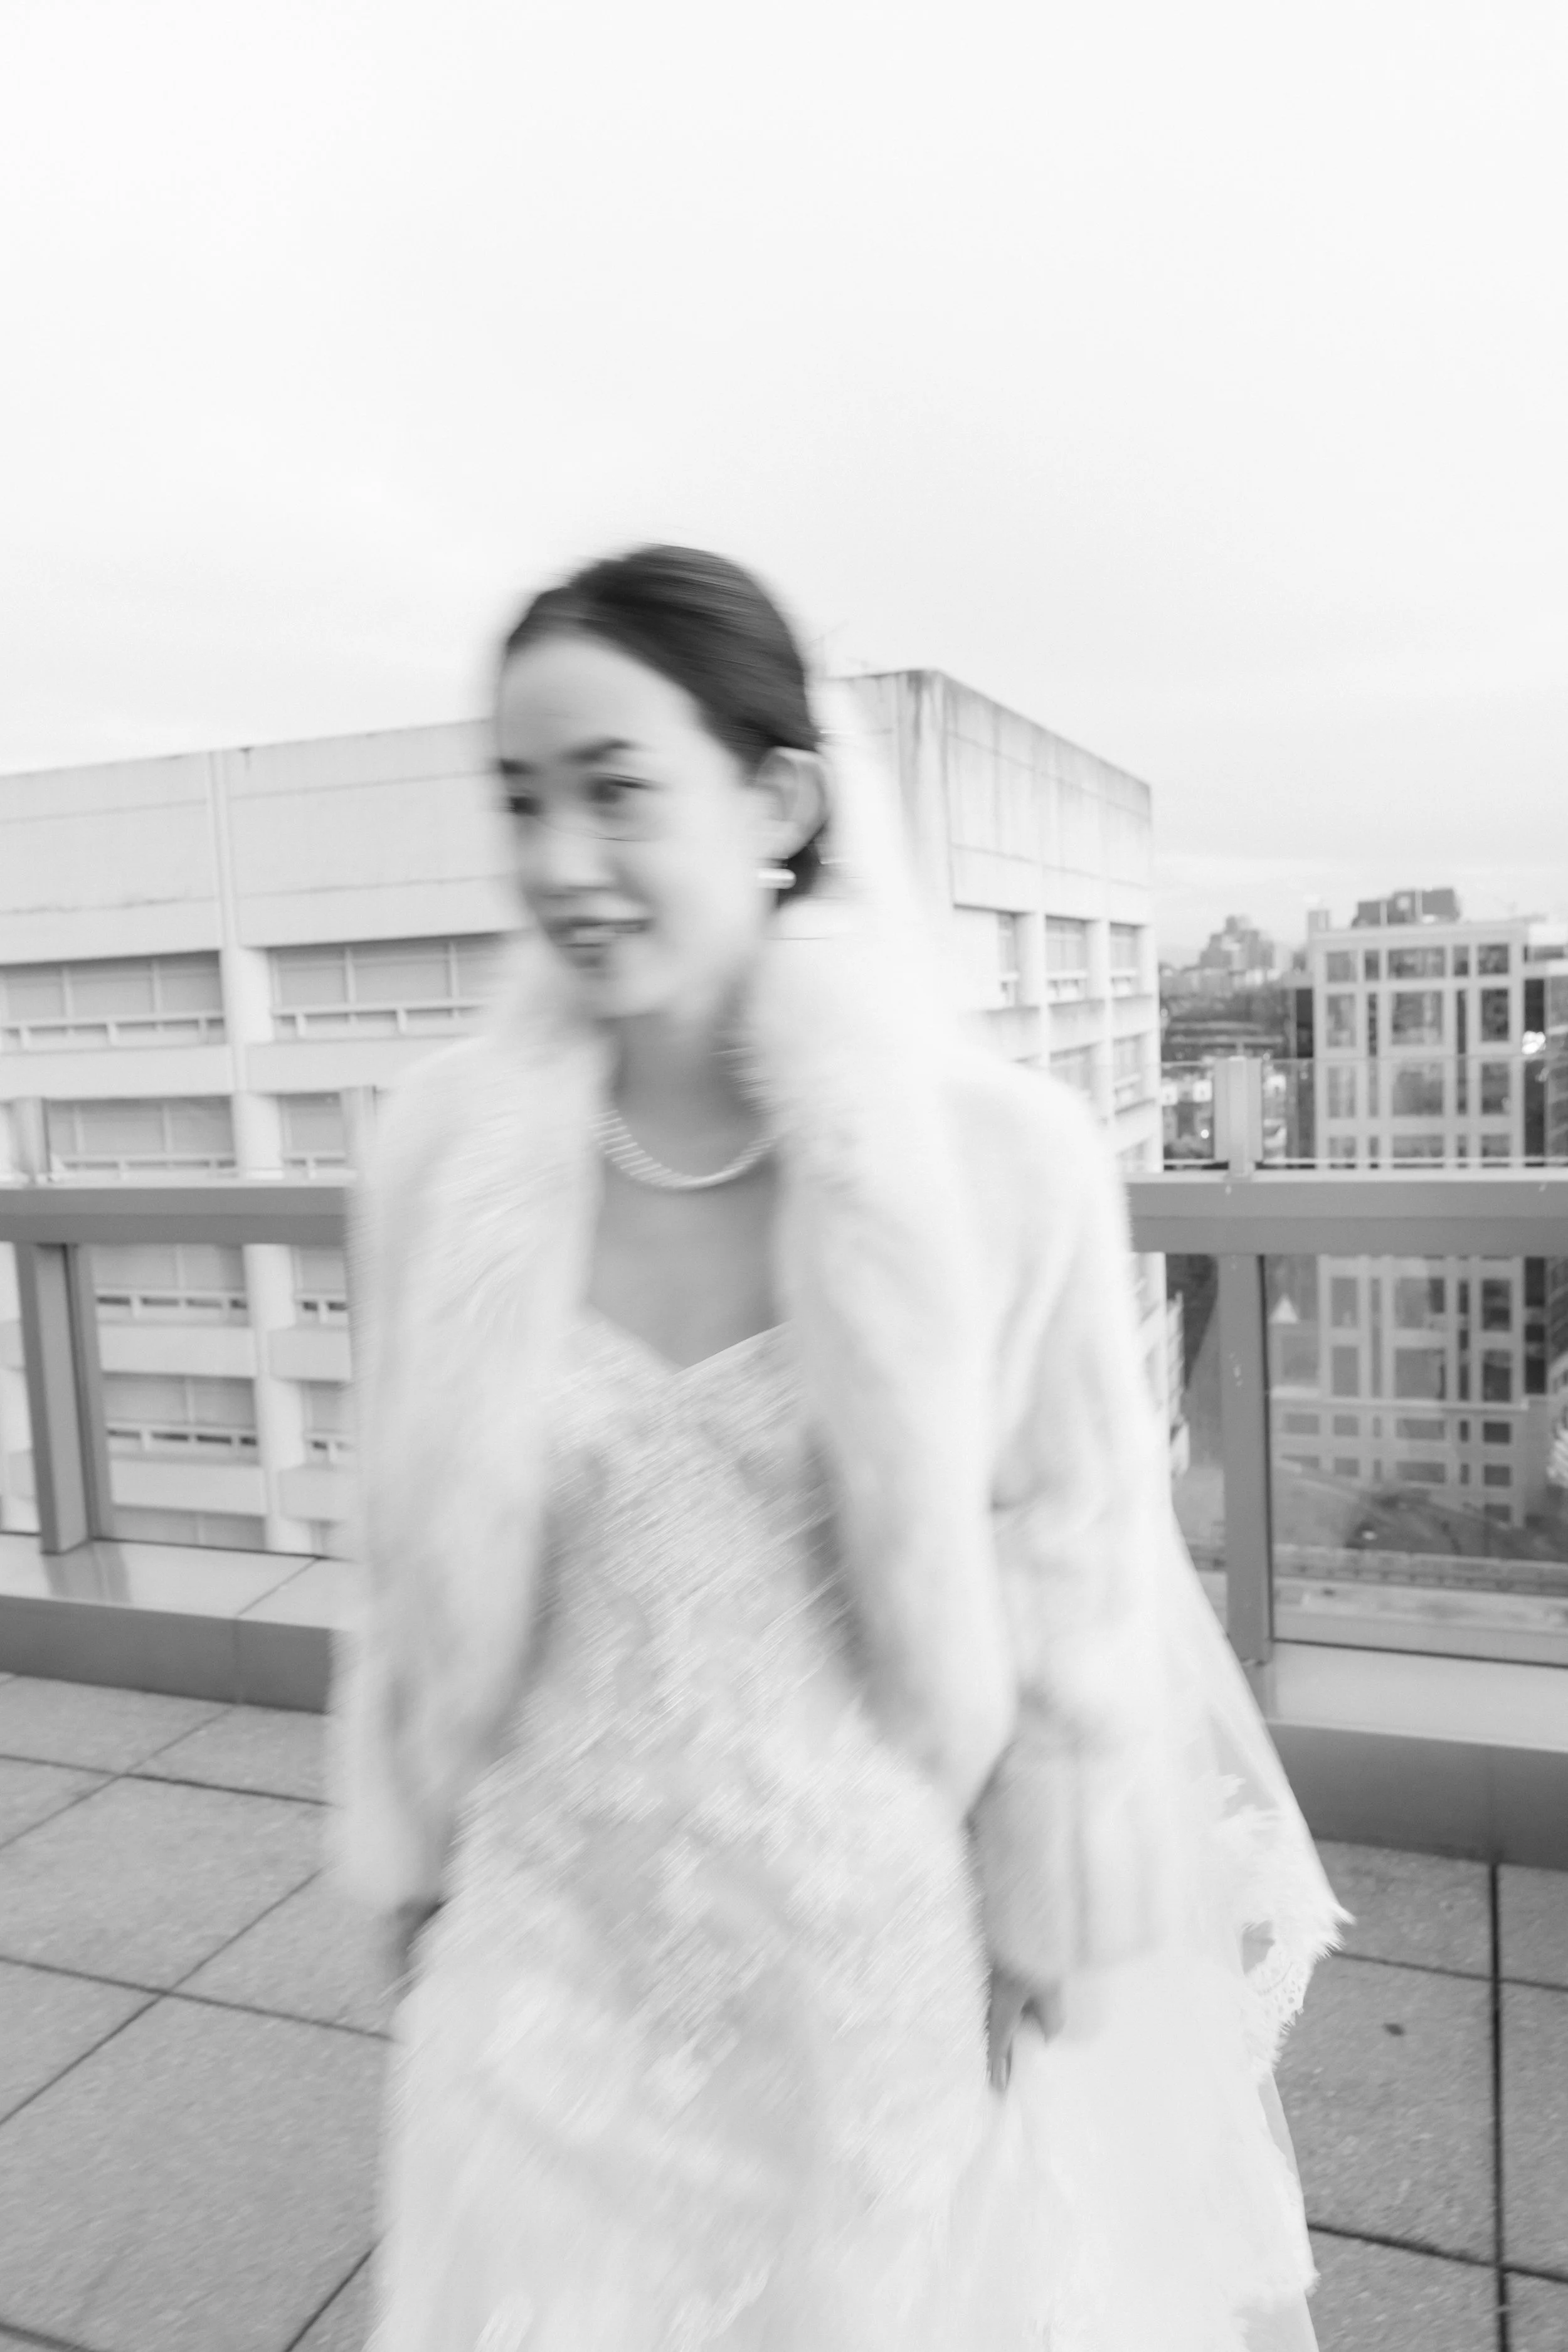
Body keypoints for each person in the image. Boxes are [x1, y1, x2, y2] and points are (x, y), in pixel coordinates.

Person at [329, 545, 1348, 2351]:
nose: (559, 860)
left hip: (856, 1963)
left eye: (617, 791)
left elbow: (1074, 1562)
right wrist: (407, 1854)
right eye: (519, 799)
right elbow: (403, 1552)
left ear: (776, 799)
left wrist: (1037, 1907)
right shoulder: (440, 1159)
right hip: (537, 1949)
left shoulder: (995, 1160)